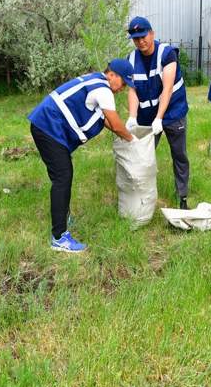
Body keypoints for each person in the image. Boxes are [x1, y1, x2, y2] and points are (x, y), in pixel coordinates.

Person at [28, 59, 135, 253]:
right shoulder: (103, 90)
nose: (123, 88)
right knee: (63, 176)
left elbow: (105, 122)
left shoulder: (96, 81)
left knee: (62, 174)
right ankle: (59, 237)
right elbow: (115, 123)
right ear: (112, 75)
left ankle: (63, 215)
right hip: (48, 127)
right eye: (124, 83)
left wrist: (125, 136)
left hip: (46, 125)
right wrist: (133, 140)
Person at [124, 16, 191, 209]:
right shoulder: (132, 58)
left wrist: (160, 118)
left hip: (172, 112)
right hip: (146, 117)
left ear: (152, 33)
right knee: (141, 155)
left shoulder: (167, 53)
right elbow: (133, 90)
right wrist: (132, 117)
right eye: (136, 38)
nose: (140, 41)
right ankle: (141, 198)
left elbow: (167, 88)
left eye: (143, 36)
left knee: (179, 155)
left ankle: (182, 197)